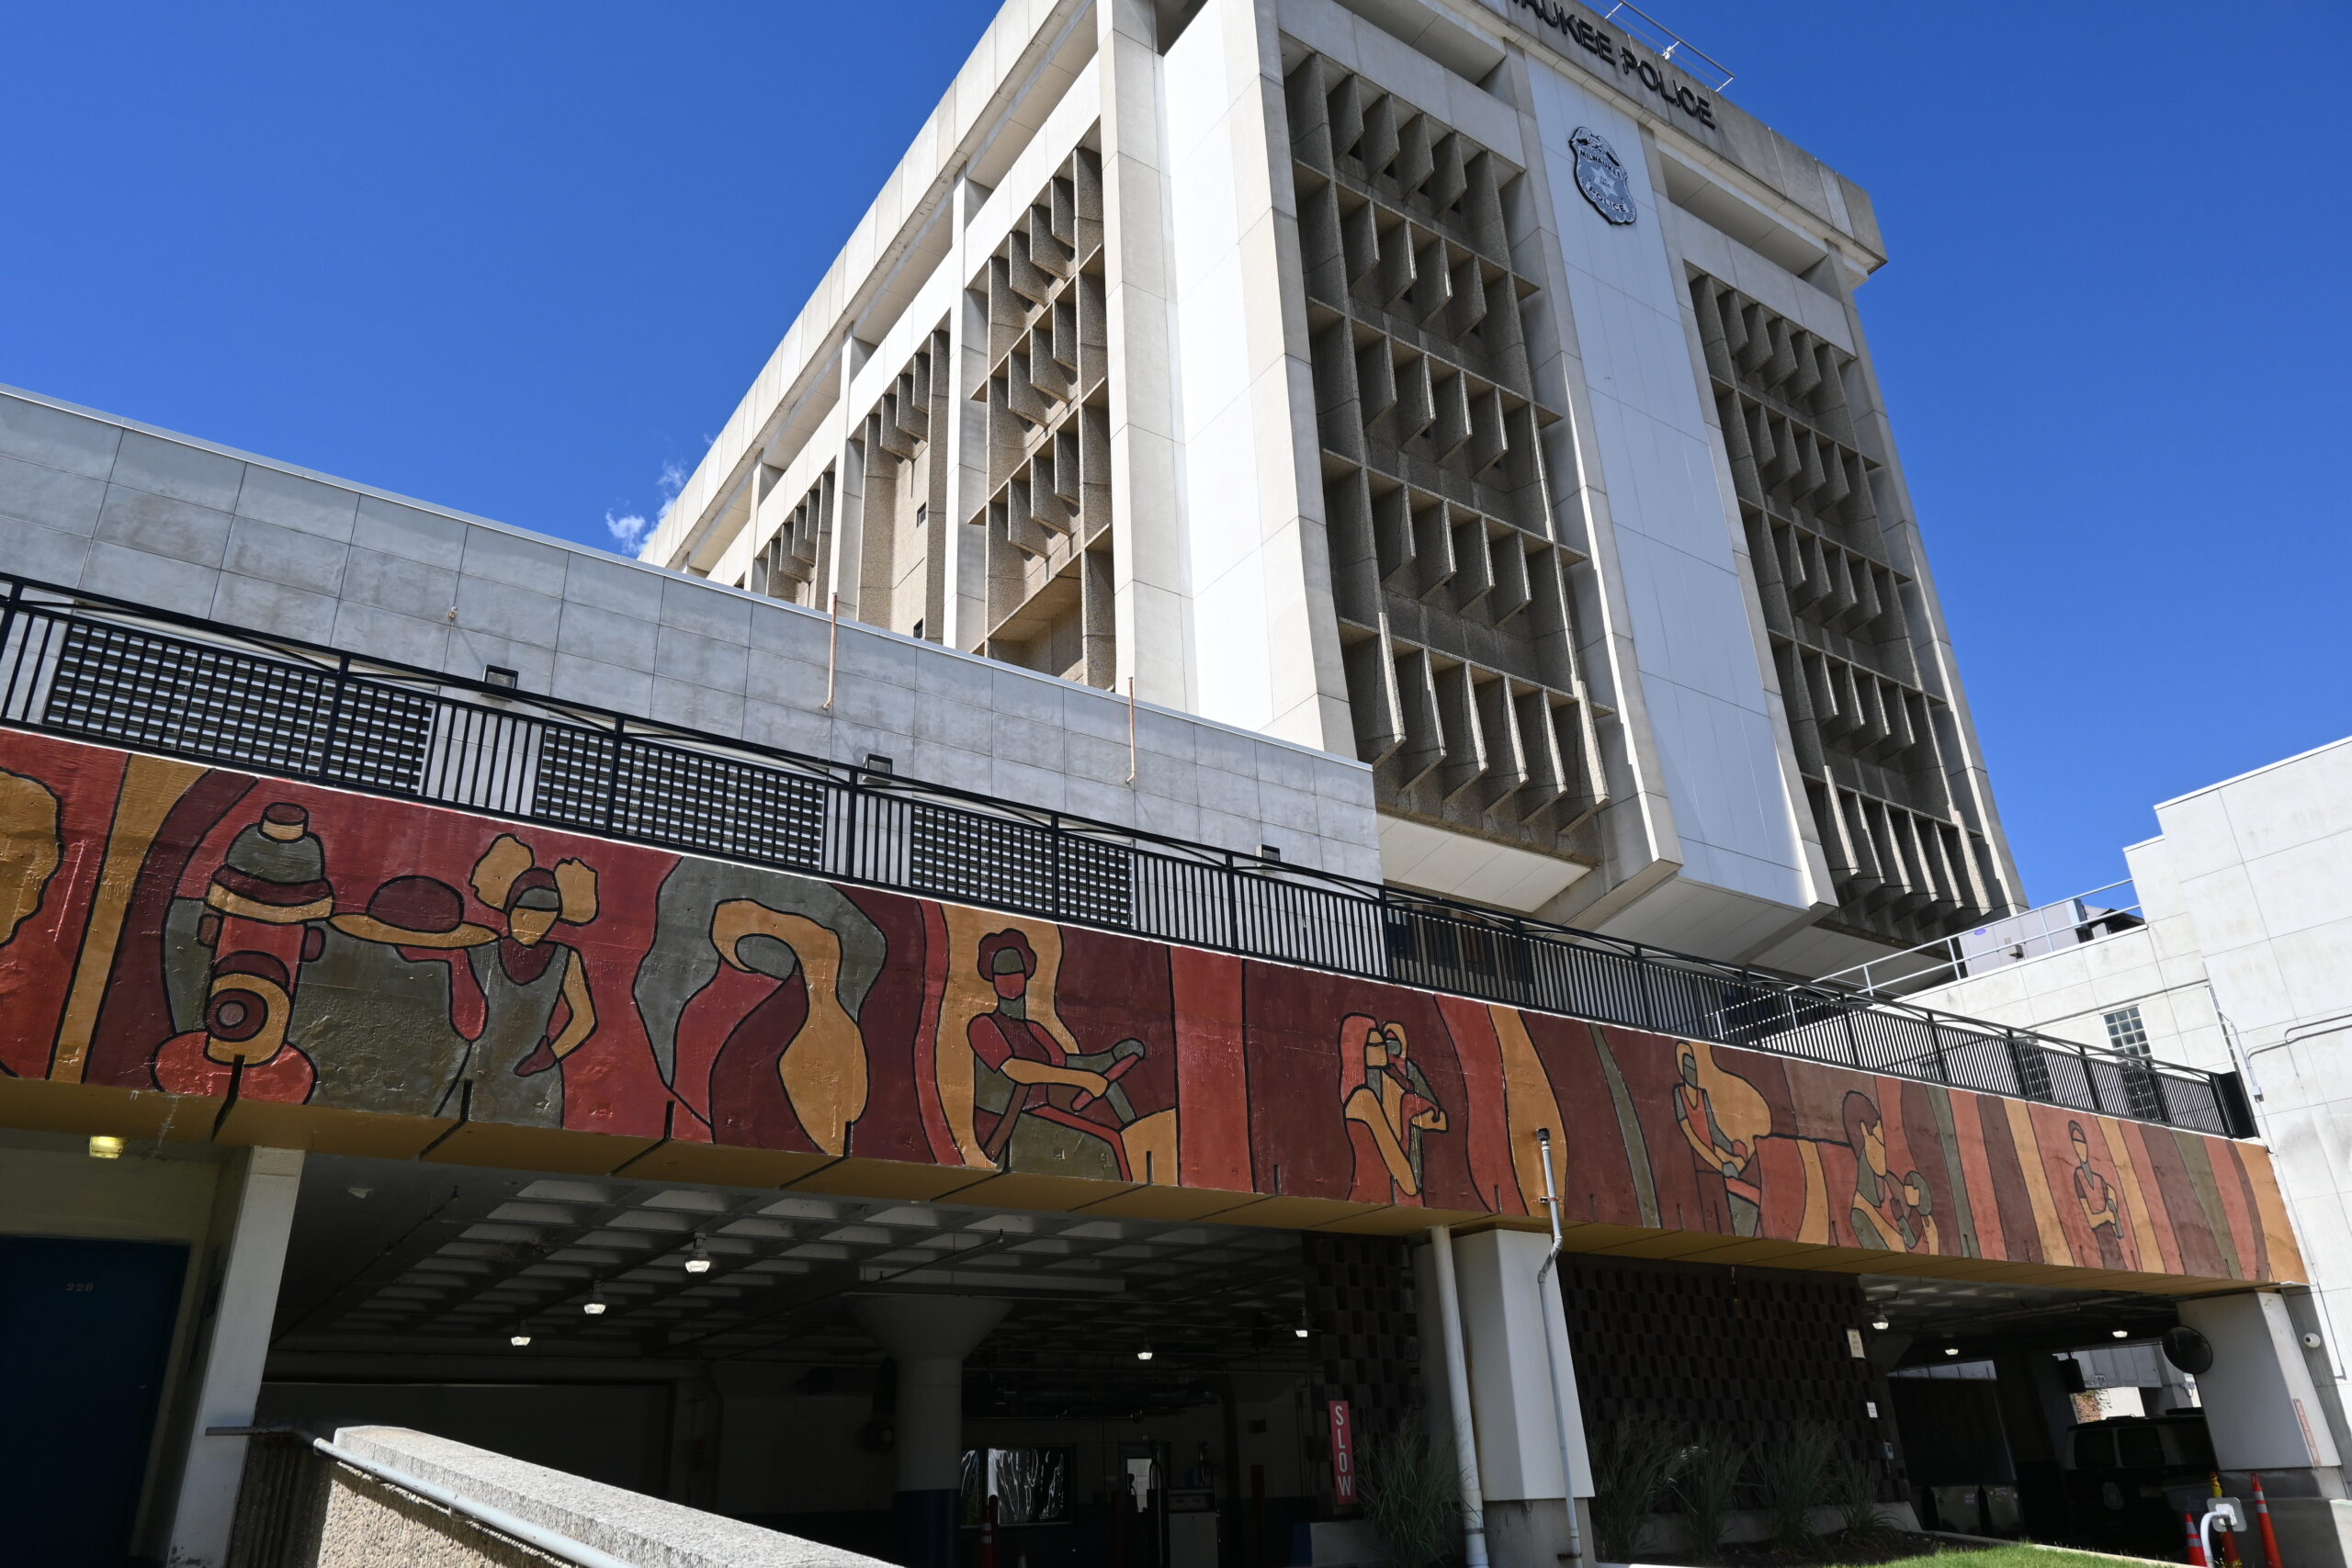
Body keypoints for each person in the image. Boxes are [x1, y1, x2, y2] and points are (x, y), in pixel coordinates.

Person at [967, 929, 1148, 1180]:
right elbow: (1018, 1070)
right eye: (1002, 971)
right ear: (992, 977)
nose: (1010, 977)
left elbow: (1069, 1063)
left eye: (1015, 969)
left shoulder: (1035, 1031)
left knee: (1113, 1139)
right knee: (1106, 1143)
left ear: (1027, 973)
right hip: (1003, 1125)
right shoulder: (983, 1026)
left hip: (1038, 1113)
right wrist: (1085, 1080)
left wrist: (1111, 1056)